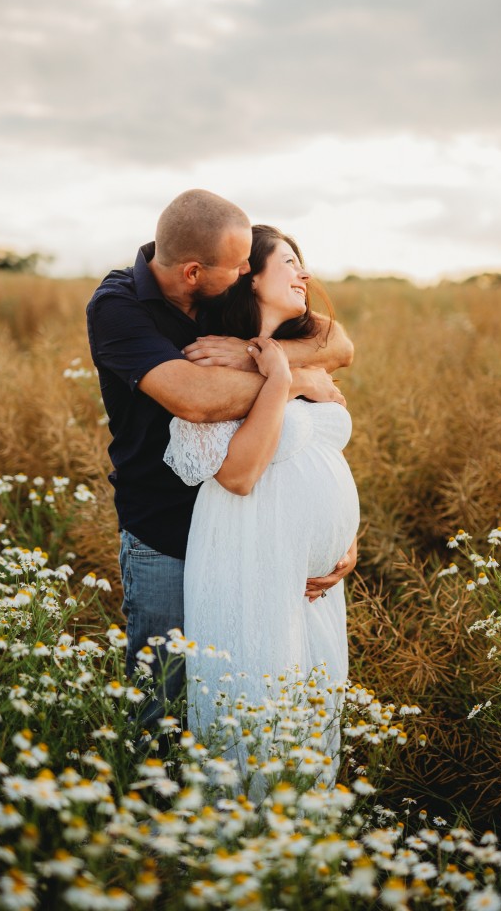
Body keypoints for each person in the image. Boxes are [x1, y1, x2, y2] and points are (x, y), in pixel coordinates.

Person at [86, 190, 354, 716]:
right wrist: (292, 379)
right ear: (192, 272)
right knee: (165, 699)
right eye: (236, 268)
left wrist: (257, 354)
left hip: (260, 541)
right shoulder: (119, 306)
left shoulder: (219, 290)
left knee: (253, 690)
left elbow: (338, 343)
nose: (241, 273)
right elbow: (196, 400)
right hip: (167, 533)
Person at [163, 224, 359, 787]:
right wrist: (282, 381)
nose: (305, 274)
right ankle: (246, 849)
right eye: (290, 261)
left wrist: (347, 539)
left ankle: (302, 843)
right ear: (249, 276)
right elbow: (242, 475)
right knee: (255, 703)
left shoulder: (310, 356)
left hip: (318, 580)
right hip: (252, 554)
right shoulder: (210, 364)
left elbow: (320, 457)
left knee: (312, 707)